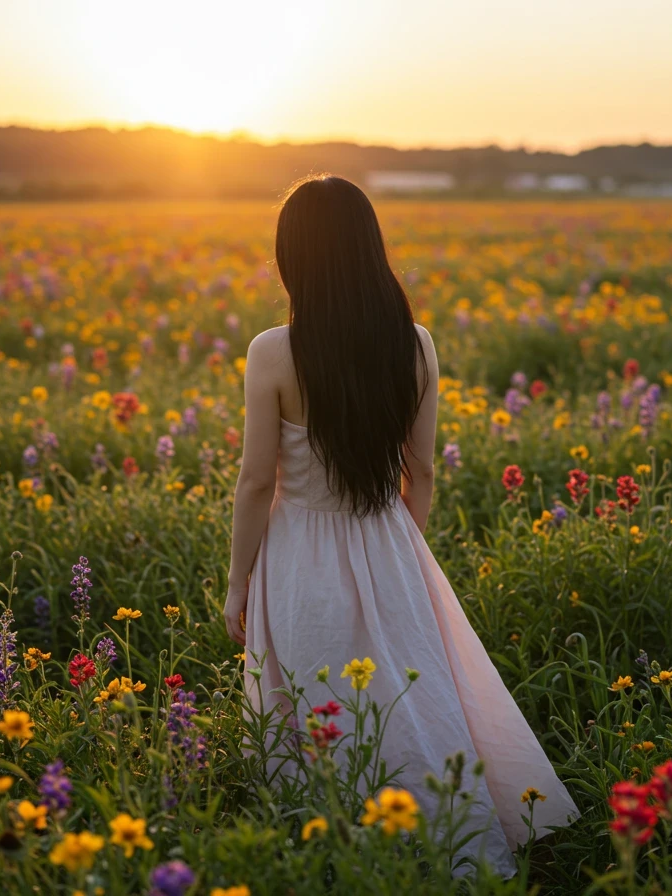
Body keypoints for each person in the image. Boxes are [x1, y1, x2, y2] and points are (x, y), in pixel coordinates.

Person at [223, 174, 576, 876]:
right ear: (367, 249)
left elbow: (257, 480)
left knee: (317, 705)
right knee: (411, 702)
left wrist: (238, 583)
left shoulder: (273, 350)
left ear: (294, 257)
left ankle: (332, 854)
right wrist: (401, 547)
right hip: (389, 539)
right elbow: (424, 470)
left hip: (300, 555)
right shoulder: (416, 344)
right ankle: (445, 845)